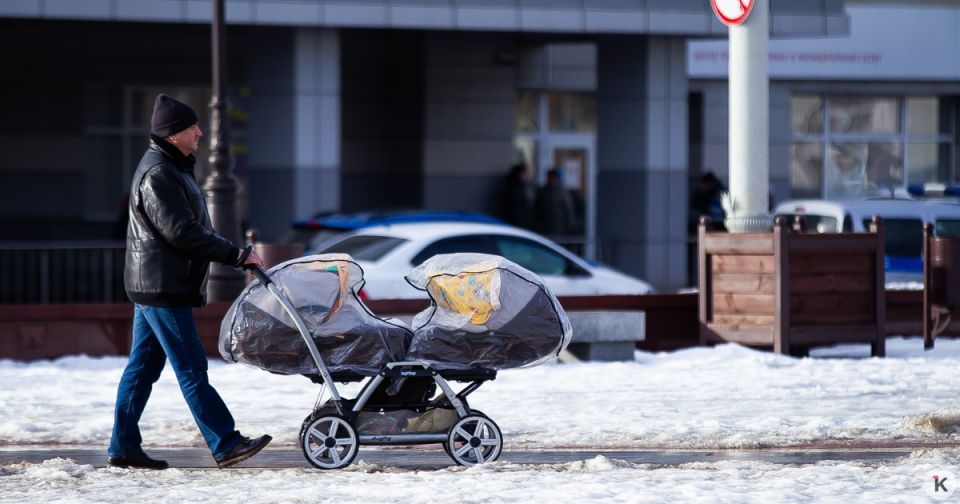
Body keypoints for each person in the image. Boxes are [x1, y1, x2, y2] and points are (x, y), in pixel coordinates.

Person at [108, 94, 270, 470]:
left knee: (143, 369)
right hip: (163, 287)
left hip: (158, 284)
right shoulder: (159, 174)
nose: (200, 132)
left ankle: (123, 447)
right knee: (191, 367)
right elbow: (182, 232)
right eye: (192, 127)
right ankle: (226, 443)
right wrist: (236, 254)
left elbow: (188, 229)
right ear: (172, 134)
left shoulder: (172, 167)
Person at [533, 168, 575, 236]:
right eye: (550, 177)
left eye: (553, 177)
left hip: (558, 225)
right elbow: (536, 208)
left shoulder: (562, 191)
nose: (552, 179)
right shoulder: (542, 191)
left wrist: (569, 224)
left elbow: (568, 208)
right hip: (543, 225)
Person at [502, 162, 533, 229]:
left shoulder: (523, 186)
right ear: (519, 174)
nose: (527, 176)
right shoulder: (515, 188)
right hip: (517, 222)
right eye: (525, 173)